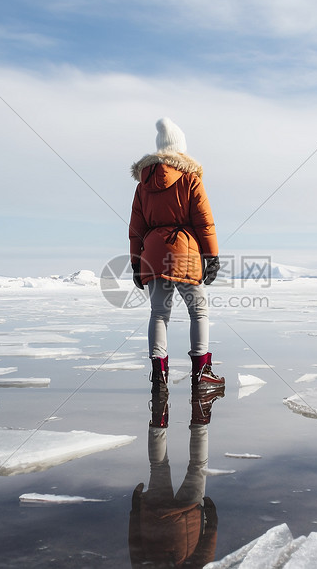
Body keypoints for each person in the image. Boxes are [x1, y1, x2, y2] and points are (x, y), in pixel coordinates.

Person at [129, 117, 225, 428]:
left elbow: (136, 228)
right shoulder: (190, 179)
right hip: (184, 251)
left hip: (153, 253)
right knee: (199, 310)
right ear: (180, 150)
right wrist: (211, 255)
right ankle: (202, 374)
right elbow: (204, 220)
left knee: (159, 313)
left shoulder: (143, 183)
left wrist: (136, 261)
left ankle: (159, 375)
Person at [128, 424, 218, 567]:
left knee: (198, 467)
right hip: (154, 518)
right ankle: (159, 410)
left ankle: (200, 410)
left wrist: (212, 526)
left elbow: (204, 557)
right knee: (158, 466)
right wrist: (136, 511)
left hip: (186, 521)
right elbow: (135, 548)